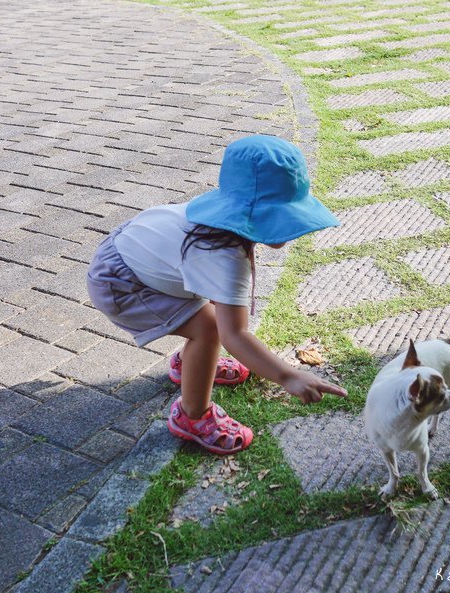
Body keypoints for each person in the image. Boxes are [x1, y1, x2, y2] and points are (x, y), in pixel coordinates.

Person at [87, 135, 348, 455]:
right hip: (121, 283)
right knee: (209, 331)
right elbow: (234, 335)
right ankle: (192, 416)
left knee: (210, 319)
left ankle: (192, 365)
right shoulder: (223, 257)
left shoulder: (221, 227)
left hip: (131, 252)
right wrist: (288, 376)